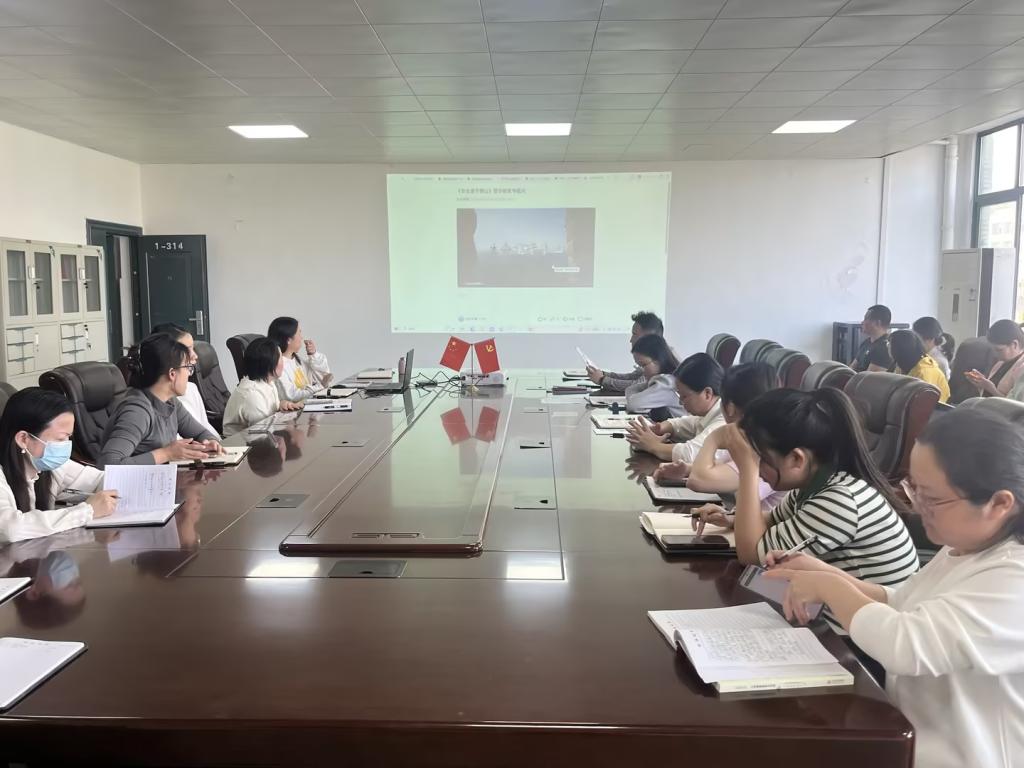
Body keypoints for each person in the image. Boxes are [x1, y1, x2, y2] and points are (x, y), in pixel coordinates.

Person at [764, 408, 1024, 768]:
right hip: (908, 734)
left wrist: (829, 587)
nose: (917, 507)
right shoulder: (965, 547)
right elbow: (903, 604)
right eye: (914, 488)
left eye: (931, 498)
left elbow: (906, 644)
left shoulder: (1014, 578)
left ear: (999, 503)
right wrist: (827, 574)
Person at [708, 388, 919, 626]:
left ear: (796, 459)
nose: (758, 468)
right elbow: (772, 520)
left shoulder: (840, 500)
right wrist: (732, 519)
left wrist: (747, 469)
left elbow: (751, 555)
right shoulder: (817, 484)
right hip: (839, 615)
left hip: (868, 632)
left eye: (761, 459)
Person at [656, 362, 786, 515]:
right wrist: (686, 469)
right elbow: (722, 466)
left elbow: (698, 481)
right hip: (738, 518)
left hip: (759, 528)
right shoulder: (756, 437)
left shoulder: (764, 450)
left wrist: (714, 438)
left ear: (729, 407)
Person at [0, 388, 118, 543]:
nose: (66, 445)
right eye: (60, 439)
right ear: (23, 439)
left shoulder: (49, 465)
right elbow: (10, 529)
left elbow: (101, 480)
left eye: (69, 437)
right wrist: (87, 511)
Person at [101, 333, 222, 466]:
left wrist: (209, 442)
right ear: (172, 374)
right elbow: (108, 465)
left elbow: (200, 433)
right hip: (138, 480)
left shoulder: (171, 403)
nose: (189, 374)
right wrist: (166, 454)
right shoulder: (137, 411)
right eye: (187, 368)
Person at [625, 353, 725, 463]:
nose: (680, 402)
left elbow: (691, 454)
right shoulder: (711, 412)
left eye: (684, 396)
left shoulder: (725, 419)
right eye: (679, 395)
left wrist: (653, 446)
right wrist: (662, 427)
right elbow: (691, 423)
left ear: (707, 394)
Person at [222, 336, 301, 436]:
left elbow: (270, 413)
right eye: (281, 358)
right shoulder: (252, 394)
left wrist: (281, 405)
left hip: (257, 438)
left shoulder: (268, 383)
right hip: (240, 443)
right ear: (269, 363)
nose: (283, 362)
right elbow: (263, 431)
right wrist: (290, 426)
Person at [149, 322, 218, 436]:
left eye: (193, 348)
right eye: (187, 349)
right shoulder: (148, 406)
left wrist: (214, 442)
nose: (195, 355)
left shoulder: (191, 389)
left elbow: (205, 429)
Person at [586, 311, 664, 392]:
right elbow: (632, 376)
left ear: (648, 337)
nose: (631, 340)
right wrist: (603, 374)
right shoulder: (653, 356)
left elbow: (637, 385)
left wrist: (602, 379)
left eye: (634, 334)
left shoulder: (659, 360)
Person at [267, 316, 332, 402]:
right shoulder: (278, 366)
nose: (301, 337)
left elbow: (321, 378)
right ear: (288, 340)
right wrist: (320, 386)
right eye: (299, 333)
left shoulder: (297, 360)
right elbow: (291, 396)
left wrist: (313, 355)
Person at [622, 334, 682, 417]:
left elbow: (633, 405)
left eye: (643, 365)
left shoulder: (666, 383)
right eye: (639, 365)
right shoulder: (666, 379)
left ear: (659, 360)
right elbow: (630, 389)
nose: (642, 370)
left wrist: (635, 398)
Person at [965, 319, 1024, 398]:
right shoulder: (1000, 363)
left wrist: (991, 388)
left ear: (1014, 344)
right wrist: (981, 383)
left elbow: (1015, 403)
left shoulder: (1022, 368)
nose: (995, 354)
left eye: (999, 350)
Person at [890, 329, 950, 403]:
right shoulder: (902, 365)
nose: (888, 346)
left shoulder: (923, 371)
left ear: (900, 348)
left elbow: (922, 401)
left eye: (890, 344)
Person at [851, 304, 894, 372]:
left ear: (877, 323)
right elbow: (851, 368)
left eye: (866, 319)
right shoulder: (866, 342)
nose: (862, 322)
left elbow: (870, 377)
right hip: (856, 377)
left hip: (863, 379)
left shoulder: (885, 348)